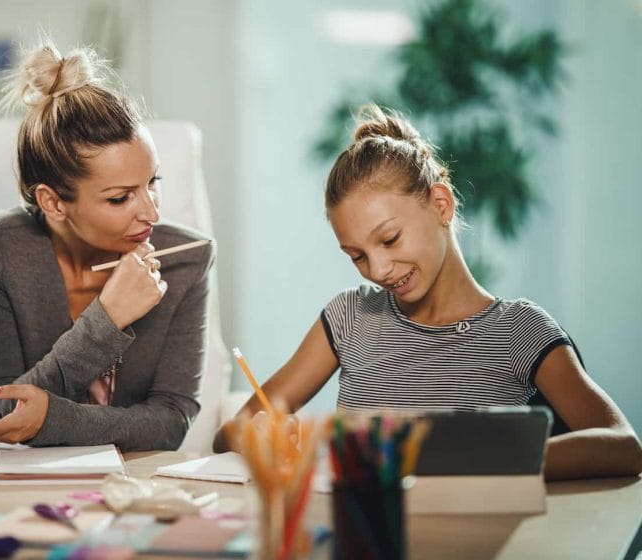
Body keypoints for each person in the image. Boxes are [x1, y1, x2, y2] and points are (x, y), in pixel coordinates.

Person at [214, 104, 642, 480]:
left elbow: (623, 446)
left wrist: (486, 461)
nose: (377, 270)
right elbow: (231, 431)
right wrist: (265, 434)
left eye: (390, 239)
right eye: (356, 255)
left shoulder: (519, 330)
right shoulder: (349, 319)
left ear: (441, 204)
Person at [0, 41, 214, 451]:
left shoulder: (187, 259)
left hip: (134, 488)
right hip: (14, 489)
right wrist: (107, 320)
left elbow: (171, 422)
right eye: (119, 197)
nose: (151, 214)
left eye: (153, 184)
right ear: (52, 202)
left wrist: (52, 419)